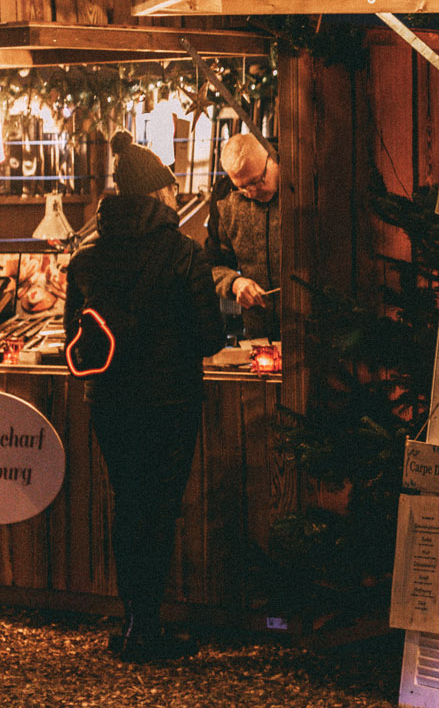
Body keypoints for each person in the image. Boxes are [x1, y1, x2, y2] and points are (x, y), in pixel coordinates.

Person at [64, 131, 225, 660]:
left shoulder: (87, 259)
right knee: (158, 511)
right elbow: (208, 338)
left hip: (108, 402)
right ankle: (147, 631)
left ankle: (134, 622)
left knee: (127, 505)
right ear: (159, 194)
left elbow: (74, 340)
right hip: (170, 404)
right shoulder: (184, 254)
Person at [207, 133, 282, 341]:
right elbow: (213, 264)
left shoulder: (303, 184)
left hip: (311, 328)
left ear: (272, 160)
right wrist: (235, 283)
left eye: (257, 181)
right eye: (242, 187)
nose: (251, 192)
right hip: (257, 334)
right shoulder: (225, 197)